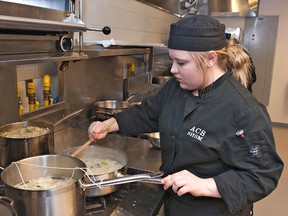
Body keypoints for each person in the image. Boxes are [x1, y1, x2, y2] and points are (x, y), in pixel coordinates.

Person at [88, 15, 283, 216]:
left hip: (213, 210)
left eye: (181, 63)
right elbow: (149, 113)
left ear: (210, 59)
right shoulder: (175, 87)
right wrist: (111, 123)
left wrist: (207, 185)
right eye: (172, 60)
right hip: (175, 202)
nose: (173, 70)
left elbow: (263, 175)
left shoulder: (243, 110)